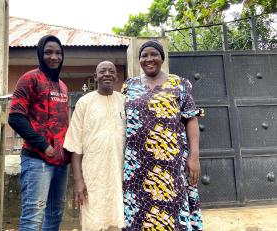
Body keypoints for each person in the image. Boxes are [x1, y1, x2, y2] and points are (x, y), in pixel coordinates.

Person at [121, 40, 204, 230]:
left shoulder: (179, 84)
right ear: (139, 60)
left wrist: (194, 156)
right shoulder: (129, 86)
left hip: (171, 161)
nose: (149, 59)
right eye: (144, 55)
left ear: (162, 58)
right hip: (136, 163)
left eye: (154, 54)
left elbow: (191, 119)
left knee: (172, 206)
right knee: (139, 209)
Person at [8, 35, 70, 230]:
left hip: (60, 163)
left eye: (58, 53)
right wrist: (44, 146)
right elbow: (15, 117)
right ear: (40, 54)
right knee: (33, 219)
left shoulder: (63, 86)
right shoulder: (30, 78)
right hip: (37, 160)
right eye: (48, 52)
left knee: (54, 217)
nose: (54, 57)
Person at [63, 61, 126, 231]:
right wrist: (78, 180)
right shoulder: (85, 102)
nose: (107, 74)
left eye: (111, 71)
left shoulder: (124, 101)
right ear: (95, 76)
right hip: (93, 176)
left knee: (118, 220)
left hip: (119, 174)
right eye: (102, 71)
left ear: (116, 77)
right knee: (93, 221)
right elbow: (75, 144)